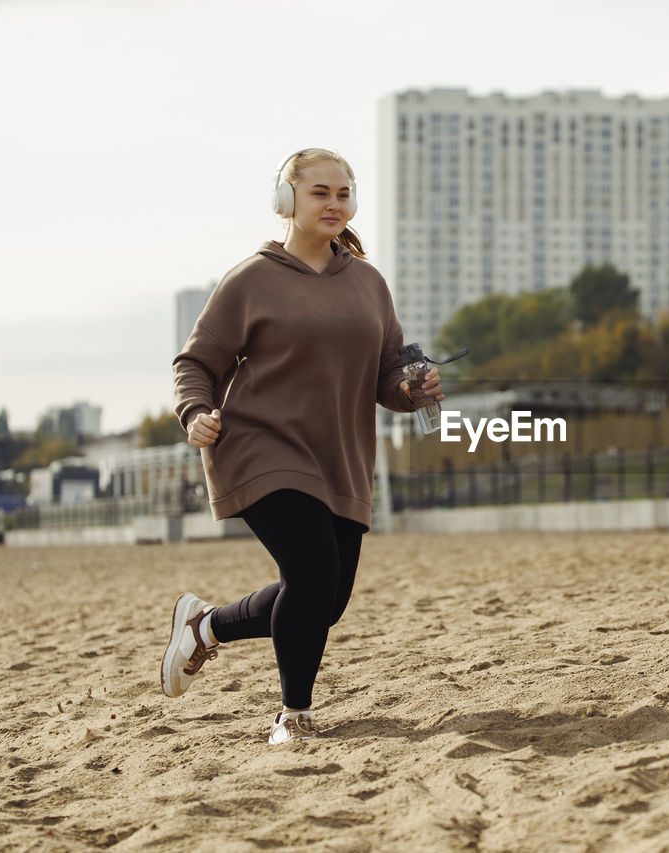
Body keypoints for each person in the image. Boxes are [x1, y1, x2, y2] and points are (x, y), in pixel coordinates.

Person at [162, 148, 442, 745]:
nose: (334, 204)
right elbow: (195, 363)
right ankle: (294, 715)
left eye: (343, 193)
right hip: (259, 446)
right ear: (286, 200)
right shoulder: (251, 280)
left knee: (324, 601)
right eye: (320, 192)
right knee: (312, 576)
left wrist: (412, 388)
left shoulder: (369, 284)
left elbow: (387, 375)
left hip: (339, 457)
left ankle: (205, 627)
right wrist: (195, 413)